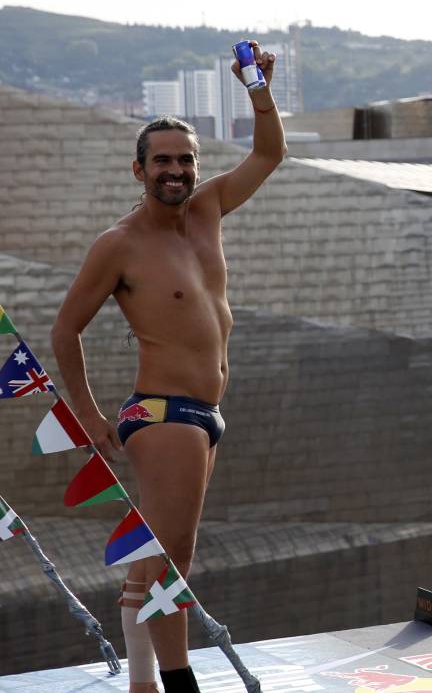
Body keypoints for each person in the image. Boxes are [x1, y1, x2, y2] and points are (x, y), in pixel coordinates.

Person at [50, 43, 285, 693]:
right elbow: (66, 329)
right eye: (163, 161)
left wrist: (257, 88)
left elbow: (269, 155)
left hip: (204, 413)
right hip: (163, 414)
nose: (176, 171)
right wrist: (88, 415)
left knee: (151, 559)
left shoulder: (207, 212)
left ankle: (142, 683)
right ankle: (179, 684)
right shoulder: (120, 245)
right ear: (139, 170)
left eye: (185, 160)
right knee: (172, 561)